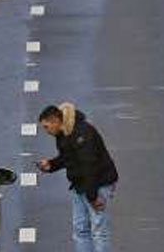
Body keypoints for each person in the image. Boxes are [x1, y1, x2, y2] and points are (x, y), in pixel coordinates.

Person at [37, 103, 119, 252]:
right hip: (80, 185)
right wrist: (51, 164)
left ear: (56, 120)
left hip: (98, 184)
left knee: (99, 232)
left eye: (46, 127)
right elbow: (69, 157)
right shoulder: (62, 134)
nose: (46, 131)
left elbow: (90, 166)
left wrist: (93, 197)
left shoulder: (83, 133)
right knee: (81, 230)